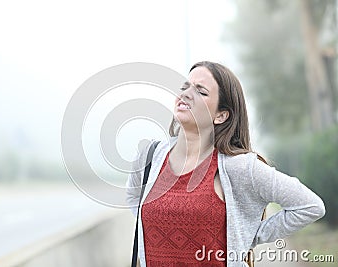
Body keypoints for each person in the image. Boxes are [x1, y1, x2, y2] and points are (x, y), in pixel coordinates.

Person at [126, 61, 325, 267]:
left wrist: (246, 235)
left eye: (201, 92)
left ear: (220, 115)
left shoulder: (239, 167)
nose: (186, 94)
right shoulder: (150, 156)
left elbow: (310, 206)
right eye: (186, 87)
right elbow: (134, 198)